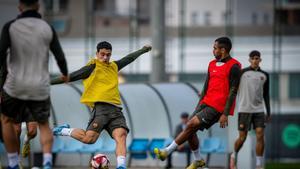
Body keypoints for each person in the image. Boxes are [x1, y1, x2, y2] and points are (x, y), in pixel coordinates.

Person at [51, 41, 152, 169]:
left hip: (116, 110)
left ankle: (121, 166)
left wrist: (143, 50)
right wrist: (48, 82)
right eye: (102, 54)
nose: (105, 58)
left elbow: (129, 58)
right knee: (89, 139)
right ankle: (63, 130)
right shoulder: (92, 67)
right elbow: (69, 77)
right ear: (97, 53)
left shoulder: (114, 66)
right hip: (101, 109)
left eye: (108, 55)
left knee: (121, 135)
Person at [154, 37, 241, 169]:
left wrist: (225, 114)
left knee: (190, 125)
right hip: (205, 102)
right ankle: (199, 161)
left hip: (217, 107)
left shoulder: (234, 67)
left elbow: (233, 92)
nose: (213, 50)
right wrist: (199, 103)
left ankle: (167, 151)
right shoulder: (212, 64)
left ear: (223, 50)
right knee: (190, 131)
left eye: (215, 48)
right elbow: (206, 86)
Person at [0, 0, 69, 168]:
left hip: (15, 85)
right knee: (44, 123)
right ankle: (47, 161)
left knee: (6, 121)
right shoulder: (47, 28)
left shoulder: (10, 27)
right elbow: (59, 55)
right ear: (38, 6)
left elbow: (1, 55)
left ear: (19, 7)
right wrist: (65, 73)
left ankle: (13, 163)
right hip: (39, 85)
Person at [230, 50, 270, 169]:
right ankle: (234, 154)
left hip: (259, 110)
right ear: (249, 60)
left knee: (260, 135)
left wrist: (268, 111)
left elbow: (266, 94)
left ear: (260, 60)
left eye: (257, 58)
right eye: (252, 58)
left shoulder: (265, 75)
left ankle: (258, 165)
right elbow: (232, 89)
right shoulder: (242, 73)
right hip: (244, 110)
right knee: (242, 138)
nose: (255, 60)